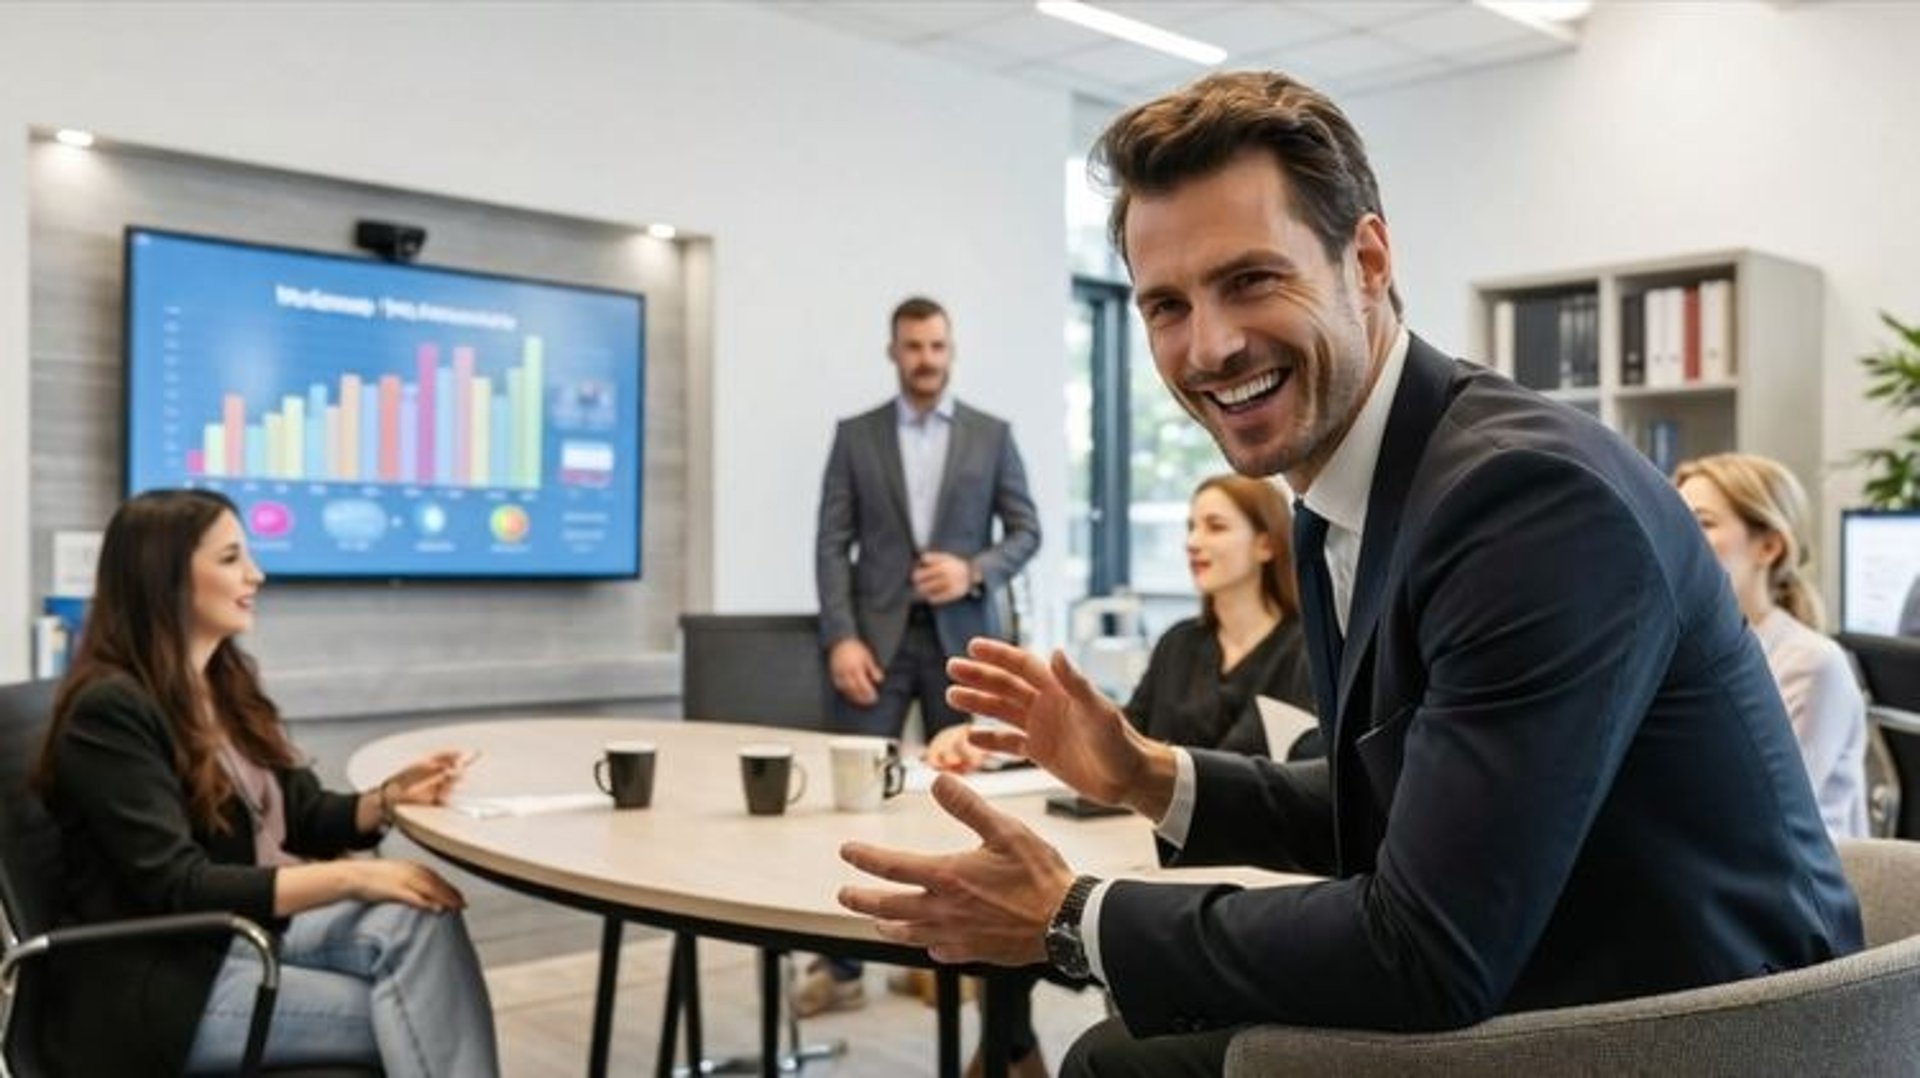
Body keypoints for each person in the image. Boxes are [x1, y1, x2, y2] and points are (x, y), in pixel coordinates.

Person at [835, 70, 1861, 1076]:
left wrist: (1070, 917)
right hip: (1561, 964)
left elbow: (1426, 950)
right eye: (1166, 306)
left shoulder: (1527, 504)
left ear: (1367, 259)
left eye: (1250, 279)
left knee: (1119, 1059)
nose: (1211, 345)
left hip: (1691, 1032)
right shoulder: (1362, 483)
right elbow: (1395, 802)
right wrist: (1145, 772)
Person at [32, 489, 498, 1077]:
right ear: (165, 576)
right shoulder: (109, 711)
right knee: (418, 1010)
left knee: (421, 914)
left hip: (240, 938)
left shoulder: (221, 682)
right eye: (230, 558)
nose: (256, 573)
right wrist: (358, 874)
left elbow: (297, 813)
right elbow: (181, 885)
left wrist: (388, 799)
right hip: (165, 981)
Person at [921, 471, 1318, 1075]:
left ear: (1267, 543)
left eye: (1214, 526)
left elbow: (1279, 783)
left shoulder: (1308, 650)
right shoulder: (1180, 644)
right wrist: (991, 747)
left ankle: (1008, 1053)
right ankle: (1014, 1049)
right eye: (1189, 526)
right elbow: (1113, 746)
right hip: (1131, 857)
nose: (1193, 542)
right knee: (1004, 917)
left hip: (1236, 885)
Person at [809, 295, 1042, 1014]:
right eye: (913, 347)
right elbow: (830, 543)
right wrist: (841, 636)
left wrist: (972, 571)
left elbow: (1026, 531)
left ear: (951, 350)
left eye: (937, 347)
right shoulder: (856, 436)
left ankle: (947, 953)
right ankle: (843, 968)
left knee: (961, 801)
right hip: (873, 645)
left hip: (960, 643)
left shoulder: (990, 435)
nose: (926, 359)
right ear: (894, 351)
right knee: (854, 804)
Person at [1675, 453, 1869, 838]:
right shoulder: (1687, 651)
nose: (1679, 540)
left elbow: (1756, 819)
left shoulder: (1812, 663)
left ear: (1769, 547)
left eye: (1702, 523)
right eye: (1676, 523)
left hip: (1790, 888)